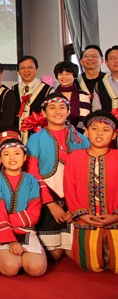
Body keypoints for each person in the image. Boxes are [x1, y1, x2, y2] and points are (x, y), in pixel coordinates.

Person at [25, 93, 89, 259]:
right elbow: (33, 173)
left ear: (68, 111)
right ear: (44, 113)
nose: (57, 111)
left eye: (62, 107)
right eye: (52, 108)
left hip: (76, 200)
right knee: (54, 254)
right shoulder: (35, 139)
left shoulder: (80, 139)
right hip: (46, 199)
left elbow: (87, 173)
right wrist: (51, 204)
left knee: (75, 253)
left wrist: (76, 207)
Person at [64, 111, 118, 273]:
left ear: (114, 135)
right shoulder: (74, 157)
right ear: (86, 132)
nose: (99, 133)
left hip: (115, 219)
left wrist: (115, 216)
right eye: (94, 129)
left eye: (106, 130)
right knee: (89, 265)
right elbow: (69, 188)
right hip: (85, 219)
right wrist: (82, 215)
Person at [0, 139, 46, 277]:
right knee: (11, 268)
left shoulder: (32, 181)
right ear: (1, 159)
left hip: (26, 231)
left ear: (24, 157)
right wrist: (11, 241)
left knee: (37, 269)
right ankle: (0, 258)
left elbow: (33, 215)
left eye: (17, 153)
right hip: (0, 231)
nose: (12, 158)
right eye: (7, 154)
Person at [12, 56, 53, 142]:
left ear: (36, 69)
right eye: (22, 68)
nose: (26, 70)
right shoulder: (13, 90)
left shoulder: (48, 91)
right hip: (16, 138)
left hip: (39, 138)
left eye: (30, 67)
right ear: (18, 71)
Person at [53, 61, 91, 129]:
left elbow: (84, 119)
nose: (64, 77)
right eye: (61, 74)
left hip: (78, 132)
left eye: (67, 74)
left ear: (74, 76)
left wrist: (71, 132)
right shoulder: (52, 95)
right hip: (55, 130)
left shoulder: (83, 95)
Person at [93, 45, 118, 111]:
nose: (116, 61)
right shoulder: (99, 86)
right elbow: (97, 110)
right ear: (106, 63)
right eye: (113, 58)